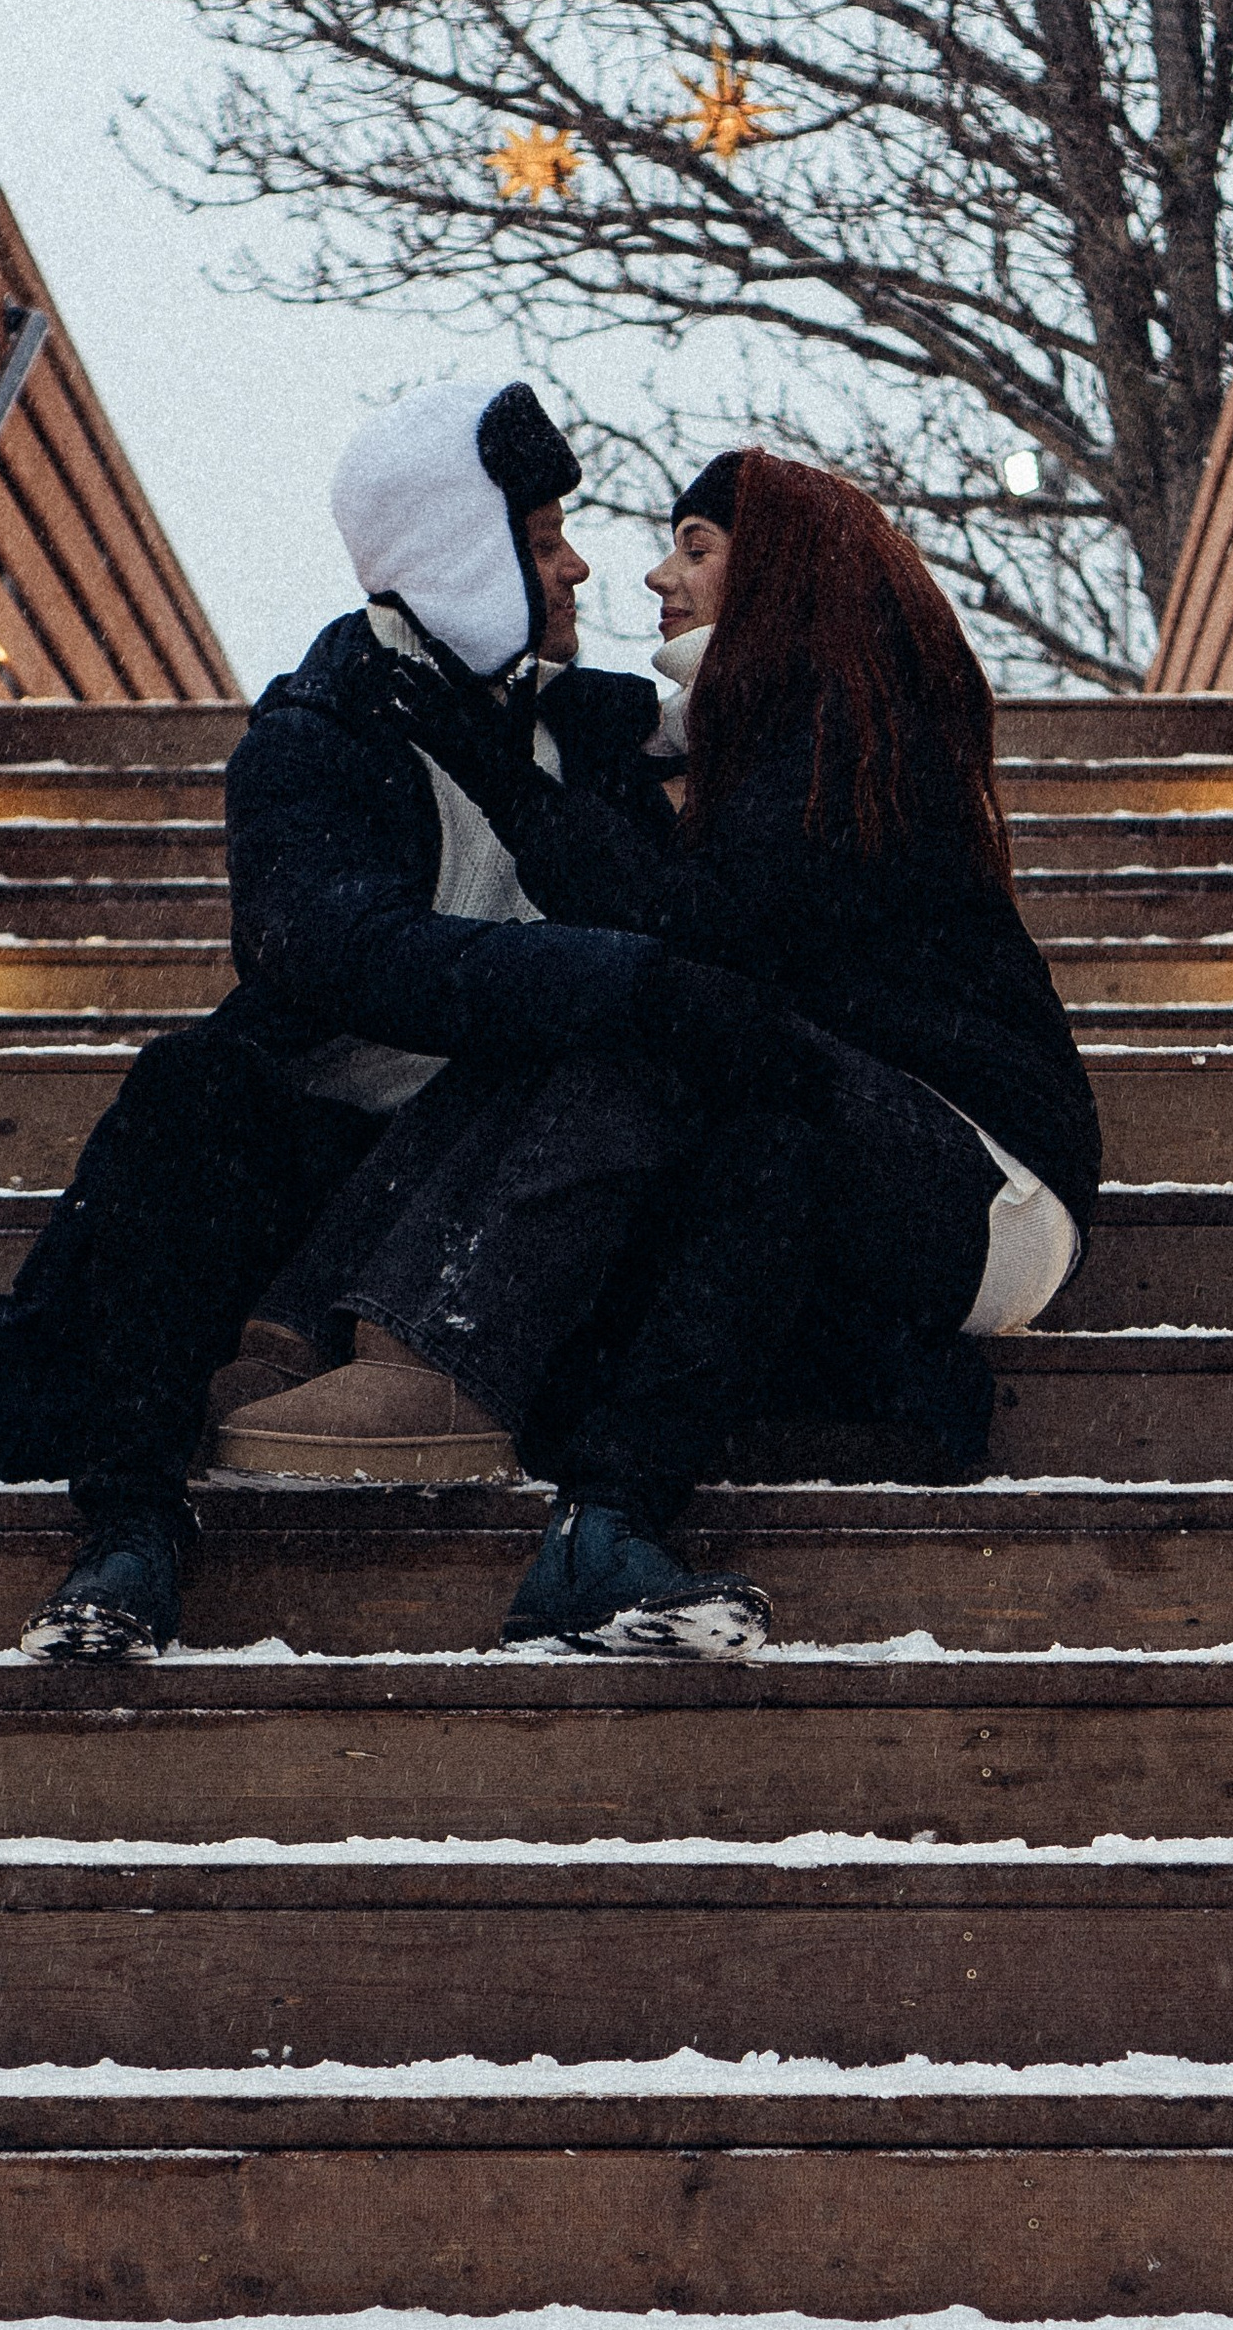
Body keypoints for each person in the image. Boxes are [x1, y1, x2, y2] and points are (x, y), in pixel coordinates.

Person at [244, 448, 1102, 1654]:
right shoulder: (741, 728)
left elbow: (684, 930)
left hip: (982, 1176)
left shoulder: (851, 730)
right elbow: (598, 731)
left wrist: (501, 770)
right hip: (847, 1146)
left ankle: (488, 1406)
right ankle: (315, 1332)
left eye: (698, 548)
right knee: (586, 1004)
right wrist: (420, 675)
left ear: (786, 575)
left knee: (639, 1010)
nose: (657, 574)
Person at [0, 371, 680, 1659]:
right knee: (188, 1087)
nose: (579, 569)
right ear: (463, 555)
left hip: (509, 1173)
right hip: (321, 1157)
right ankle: (131, 1532)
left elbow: (760, 700)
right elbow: (330, 949)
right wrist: (612, 975)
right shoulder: (319, 733)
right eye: (543, 541)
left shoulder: (578, 728)